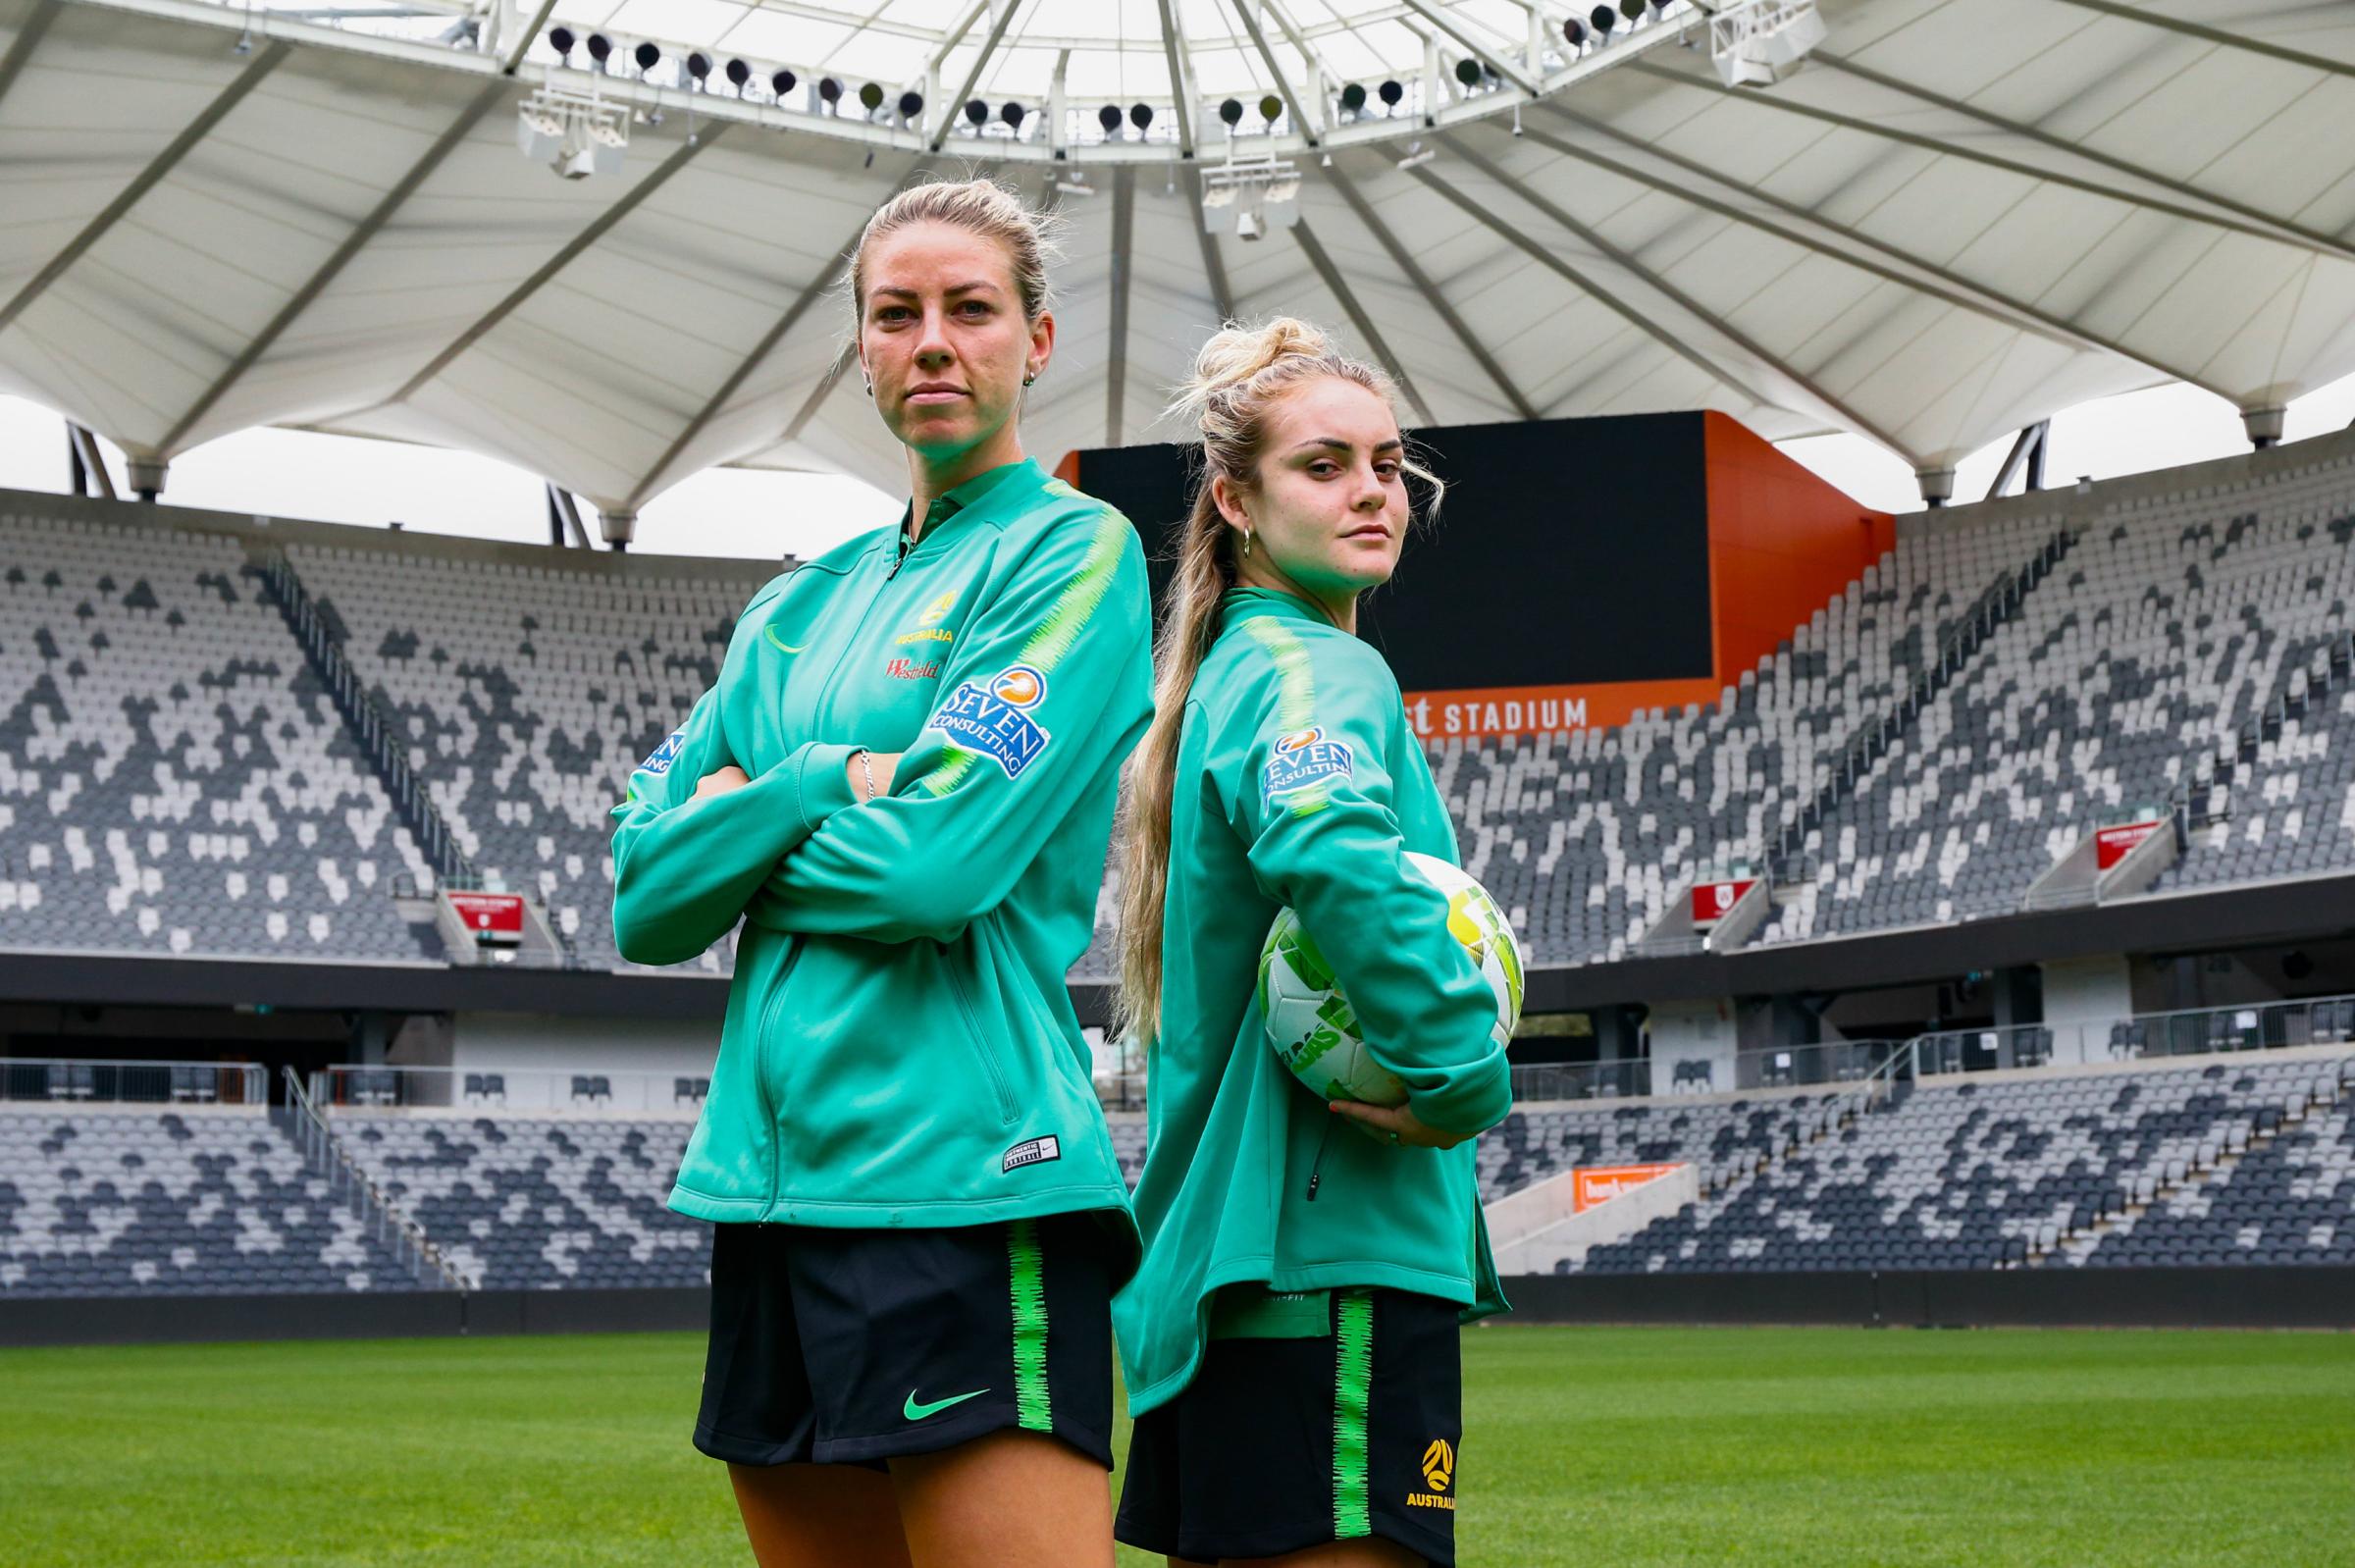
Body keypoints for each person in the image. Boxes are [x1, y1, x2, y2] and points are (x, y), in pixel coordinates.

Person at [608, 177, 1152, 1568]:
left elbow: (934, 871)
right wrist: (815, 782)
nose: (931, 342)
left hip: (969, 1184)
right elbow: (645, 902)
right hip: (768, 1194)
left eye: (970, 309)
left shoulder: (1073, 554)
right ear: (860, 347)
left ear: (1035, 340)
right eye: (895, 313)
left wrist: (741, 832)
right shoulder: (790, 608)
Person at [1109, 318, 1514, 1568]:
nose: (1372, 490)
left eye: (1388, 463)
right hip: (1324, 1256)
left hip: (1238, 1270)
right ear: (1235, 498)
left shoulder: (1226, 668)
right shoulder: (1314, 672)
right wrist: (1459, 1067)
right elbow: (1331, 845)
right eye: (1324, 464)